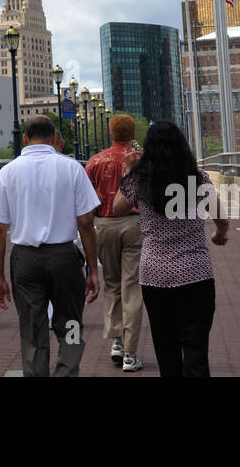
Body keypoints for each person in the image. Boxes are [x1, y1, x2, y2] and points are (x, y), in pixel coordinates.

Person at [0, 115, 100, 377]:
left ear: (25, 138)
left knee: (33, 331)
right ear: (55, 138)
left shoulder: (8, 172)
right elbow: (85, 222)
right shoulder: (71, 168)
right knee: (70, 323)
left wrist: (0, 276)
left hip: (25, 260)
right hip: (64, 258)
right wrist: (93, 268)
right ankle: (66, 371)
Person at [112, 120, 229, 377]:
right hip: (195, 274)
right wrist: (220, 233)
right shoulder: (197, 179)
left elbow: (117, 208)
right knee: (196, 348)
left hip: (154, 276)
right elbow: (221, 217)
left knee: (166, 350)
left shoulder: (140, 180)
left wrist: (129, 172)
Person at [85, 113, 144, 372]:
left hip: (104, 225)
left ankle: (116, 341)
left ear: (111, 133)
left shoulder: (95, 161)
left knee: (111, 284)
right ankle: (130, 353)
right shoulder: (142, 162)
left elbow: (85, 202)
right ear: (133, 136)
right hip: (135, 225)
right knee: (132, 286)